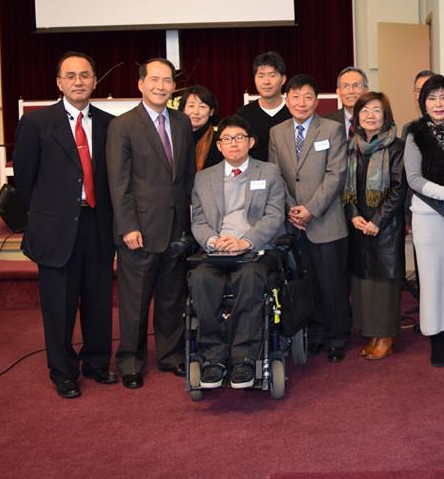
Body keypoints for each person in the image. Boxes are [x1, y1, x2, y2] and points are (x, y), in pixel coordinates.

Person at [13, 52, 118, 398]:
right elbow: (25, 179)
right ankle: (63, 371)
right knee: (59, 305)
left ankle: (97, 362)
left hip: (97, 224)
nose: (78, 81)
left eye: (85, 75)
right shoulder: (37, 123)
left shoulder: (109, 124)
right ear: (59, 83)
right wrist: (46, 216)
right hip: (56, 228)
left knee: (98, 300)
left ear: (95, 81)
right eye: (70, 76)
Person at [106, 58, 196, 389]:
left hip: (176, 226)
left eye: (167, 80)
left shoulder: (182, 122)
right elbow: (119, 182)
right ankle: (130, 360)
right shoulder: (123, 125)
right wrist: (127, 226)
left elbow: (187, 175)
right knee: (135, 301)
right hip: (140, 229)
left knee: (172, 296)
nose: (161, 86)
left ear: (174, 86)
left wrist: (191, 221)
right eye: (154, 80)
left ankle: (170, 355)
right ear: (141, 84)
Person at [189, 115, 287, 389]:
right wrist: (212, 240)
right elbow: (198, 220)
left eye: (239, 138)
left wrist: (246, 241)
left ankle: (244, 358)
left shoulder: (268, 172)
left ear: (251, 142)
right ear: (219, 145)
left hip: (254, 251)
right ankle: (213, 358)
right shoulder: (203, 178)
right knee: (200, 280)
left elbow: (274, 215)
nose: (233, 144)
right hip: (217, 251)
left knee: (250, 279)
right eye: (227, 139)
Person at [268, 74, 350, 362]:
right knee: (306, 282)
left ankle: (338, 336)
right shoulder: (276, 132)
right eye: (295, 97)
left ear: (317, 101)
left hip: (325, 219)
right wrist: (292, 208)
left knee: (332, 284)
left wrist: (311, 209)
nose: (301, 103)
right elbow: (275, 174)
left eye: (307, 97)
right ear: (286, 99)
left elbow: (336, 174)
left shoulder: (331, 129)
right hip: (294, 222)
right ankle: (315, 333)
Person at [404, 75, 444, 367]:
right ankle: (435, 339)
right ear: (423, 103)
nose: (438, 103)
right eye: (432, 98)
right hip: (428, 216)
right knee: (431, 279)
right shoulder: (415, 133)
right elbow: (413, 178)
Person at [343, 92, 406, 361]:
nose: (370, 116)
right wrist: (353, 215)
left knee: (384, 284)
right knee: (364, 283)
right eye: (365, 110)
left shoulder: (397, 147)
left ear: (386, 116)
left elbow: (399, 189)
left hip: (386, 227)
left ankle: (386, 336)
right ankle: (372, 333)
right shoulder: (351, 147)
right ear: (357, 116)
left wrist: (377, 221)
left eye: (376, 110)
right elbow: (344, 187)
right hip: (359, 226)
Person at [236, 51, 292, 162]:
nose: (266, 82)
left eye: (272, 75)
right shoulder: (243, 114)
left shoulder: (294, 112)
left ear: (283, 79)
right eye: (261, 76)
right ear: (254, 79)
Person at [179, 85, 222, 171]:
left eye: (202, 107)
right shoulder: (173, 138)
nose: (196, 112)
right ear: (183, 110)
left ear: (211, 112)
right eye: (191, 106)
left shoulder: (219, 141)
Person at [327, 66, 369, 141]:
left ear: (366, 91)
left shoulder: (375, 121)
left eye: (356, 85)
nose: (351, 91)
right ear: (338, 92)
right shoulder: (327, 122)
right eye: (346, 86)